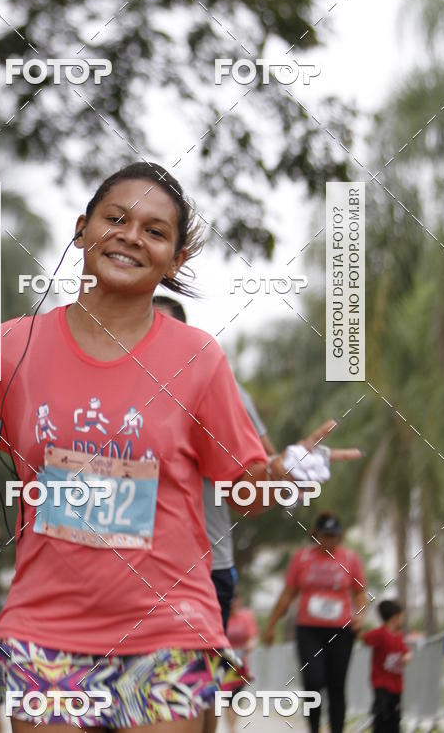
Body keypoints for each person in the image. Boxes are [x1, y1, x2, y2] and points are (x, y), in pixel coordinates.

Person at [0, 163, 360, 731]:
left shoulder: (199, 357)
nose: (130, 235)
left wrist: (282, 472)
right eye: (116, 218)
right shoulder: (13, 345)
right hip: (45, 632)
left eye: (155, 230)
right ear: (81, 230)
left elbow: (242, 492)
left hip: (169, 629)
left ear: (174, 260)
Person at [152, 294, 276, 633]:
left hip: (206, 570)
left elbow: (259, 474)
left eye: (167, 331)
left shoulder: (219, 386)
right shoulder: (115, 388)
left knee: (196, 684)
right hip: (130, 570)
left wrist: (289, 468)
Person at [263, 512, 367, 733]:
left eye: (334, 536)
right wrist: (271, 626)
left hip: (341, 630)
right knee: (313, 681)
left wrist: (361, 616)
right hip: (309, 630)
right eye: (325, 535)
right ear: (316, 535)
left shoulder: (350, 559)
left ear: (341, 537)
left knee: (336, 685)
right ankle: (314, 727)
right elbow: (287, 595)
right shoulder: (301, 559)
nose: (330, 540)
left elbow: (360, 593)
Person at [362, 600, 410, 733]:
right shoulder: (380, 634)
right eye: (401, 616)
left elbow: (405, 651)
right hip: (381, 684)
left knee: (395, 716)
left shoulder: (399, 636)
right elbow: (365, 638)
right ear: (395, 617)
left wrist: (407, 657)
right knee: (382, 715)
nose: (402, 620)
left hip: (397, 685)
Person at [226, 594, 258, 733]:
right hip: (224, 665)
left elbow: (253, 637)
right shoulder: (222, 617)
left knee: (237, 698)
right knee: (227, 699)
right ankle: (231, 729)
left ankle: (233, 727)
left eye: (235, 599)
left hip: (241, 666)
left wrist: (249, 646)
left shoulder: (245, 617)